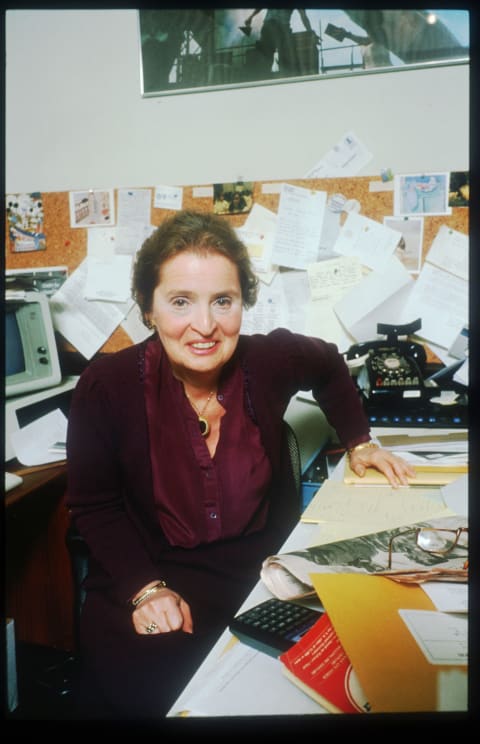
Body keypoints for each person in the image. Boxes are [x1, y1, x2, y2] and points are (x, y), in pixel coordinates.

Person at [66, 210, 415, 719]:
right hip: (146, 576)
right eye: (180, 302)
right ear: (148, 308)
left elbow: (328, 363)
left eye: (222, 302)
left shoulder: (269, 360)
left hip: (256, 577)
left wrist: (360, 441)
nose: (204, 326)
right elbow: (94, 506)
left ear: (242, 303)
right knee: (150, 696)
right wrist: (145, 591)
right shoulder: (105, 386)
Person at [243, 8, 317, 77]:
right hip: (278, 27)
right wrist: (310, 32)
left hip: (270, 26)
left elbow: (303, 17)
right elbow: (304, 17)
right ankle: (282, 75)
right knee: (282, 57)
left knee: (268, 58)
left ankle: (270, 75)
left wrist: (251, 17)